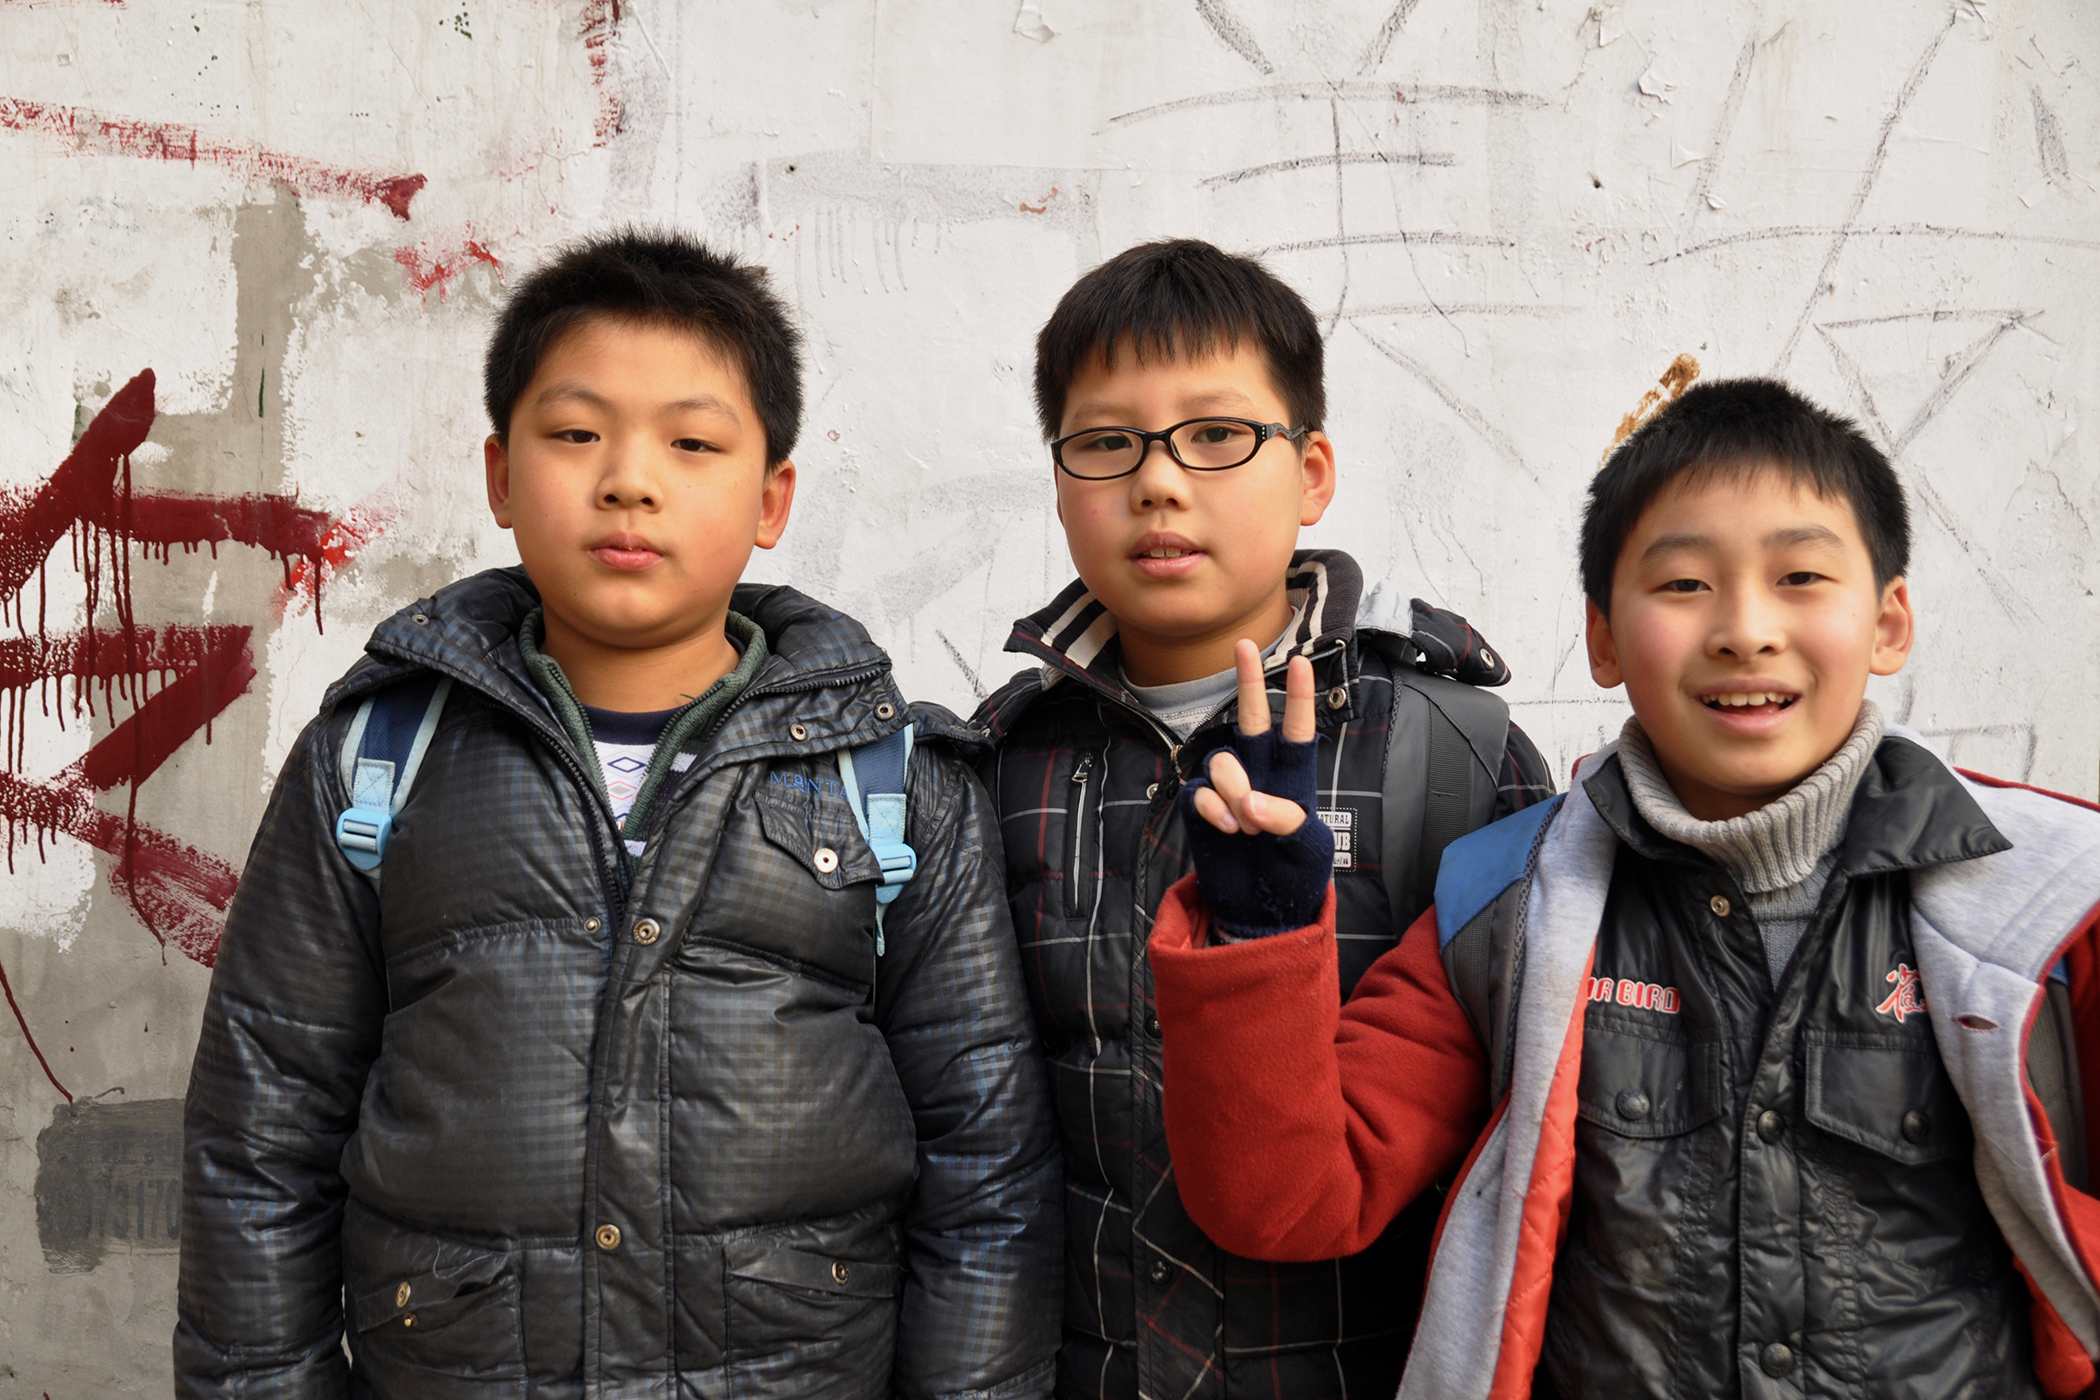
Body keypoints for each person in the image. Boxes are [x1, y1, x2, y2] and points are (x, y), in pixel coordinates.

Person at [176, 230, 1060, 1400]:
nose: (628, 479)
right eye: (577, 433)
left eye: (692, 442)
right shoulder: (380, 759)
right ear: (499, 475)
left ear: (771, 497)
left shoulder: (891, 776)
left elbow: (985, 1170)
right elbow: (259, 1144)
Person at [1151, 377, 2100, 1399]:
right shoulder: (1505, 907)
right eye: (1685, 583)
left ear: (1890, 620)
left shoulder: (2050, 904)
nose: (1745, 628)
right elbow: (1292, 1201)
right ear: (1602, 637)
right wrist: (1258, 932)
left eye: (1801, 576)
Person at [972, 238, 1553, 1398]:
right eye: (1106, 443)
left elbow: (1527, 1146)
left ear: (1314, 470)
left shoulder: (1452, 749)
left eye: (1217, 435)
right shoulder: (1001, 760)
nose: (1160, 481)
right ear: (1058, 477)